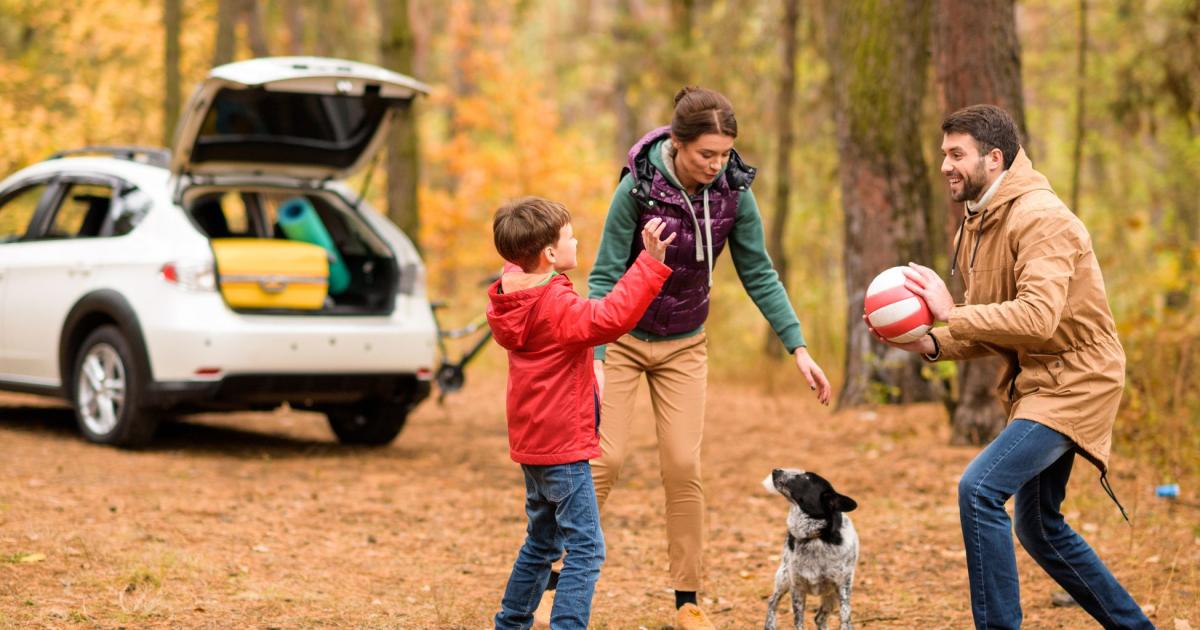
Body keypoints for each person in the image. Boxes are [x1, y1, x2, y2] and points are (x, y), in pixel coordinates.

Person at [871, 104, 1154, 630]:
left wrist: (950, 312)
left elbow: (1038, 319)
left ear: (993, 157)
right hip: (1038, 381)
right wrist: (931, 344)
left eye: (957, 154)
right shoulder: (975, 225)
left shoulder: (1042, 218)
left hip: (1077, 379)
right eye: (943, 155)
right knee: (1040, 527)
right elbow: (994, 327)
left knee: (979, 489)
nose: (945, 166)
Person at [584, 86, 832, 630]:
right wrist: (597, 354)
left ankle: (687, 602)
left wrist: (799, 347)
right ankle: (558, 582)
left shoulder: (734, 193)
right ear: (677, 144)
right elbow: (603, 275)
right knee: (605, 461)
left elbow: (759, 272)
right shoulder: (637, 189)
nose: (717, 165)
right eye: (706, 155)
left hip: (685, 344)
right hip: (623, 340)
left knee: (682, 466)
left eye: (724, 154)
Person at [487, 196, 675, 630]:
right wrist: (649, 263)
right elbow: (610, 317)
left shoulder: (512, 295)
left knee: (541, 542)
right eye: (570, 236)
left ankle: (511, 623)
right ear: (550, 253)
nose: (577, 240)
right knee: (586, 548)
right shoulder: (554, 305)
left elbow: (520, 266)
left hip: (533, 444)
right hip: (563, 447)